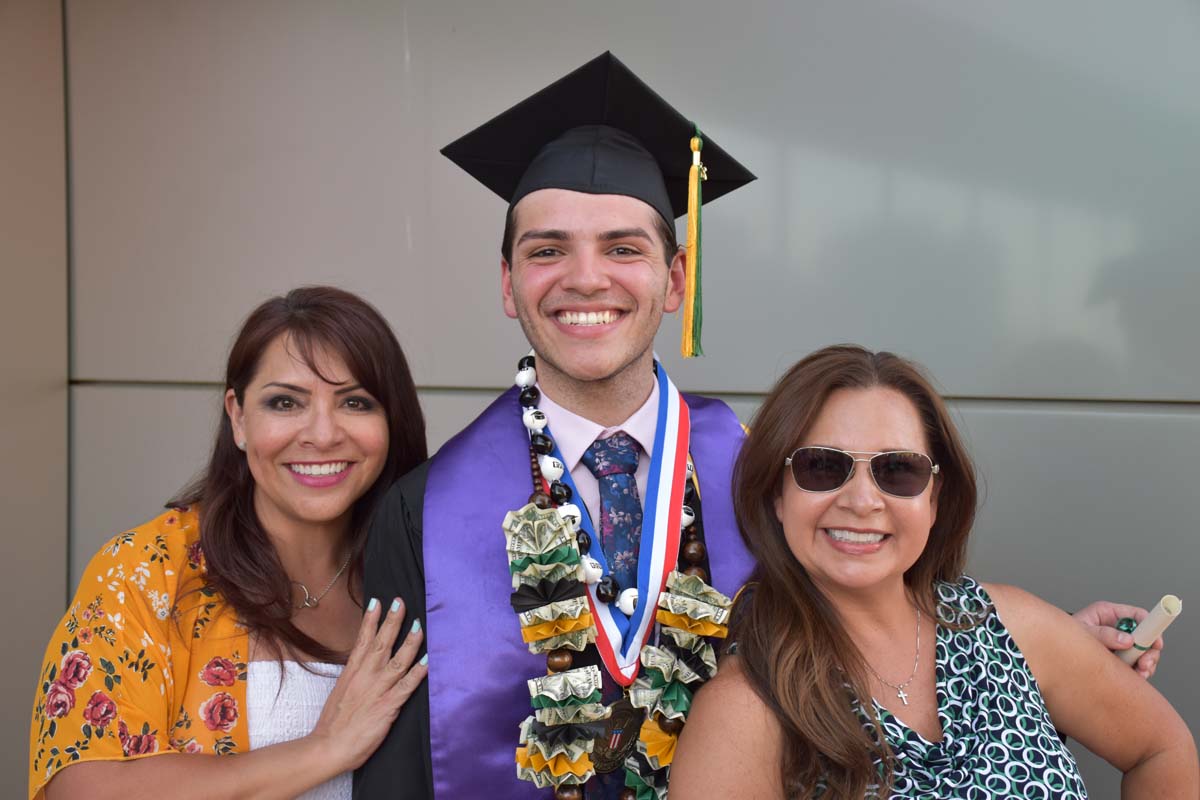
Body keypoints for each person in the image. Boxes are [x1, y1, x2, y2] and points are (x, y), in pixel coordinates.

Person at [356, 54, 1164, 800]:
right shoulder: (424, 512)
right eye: (547, 251)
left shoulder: (770, 472)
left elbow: (892, 642)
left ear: (675, 279)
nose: (585, 277)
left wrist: (1052, 658)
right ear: (508, 283)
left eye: (623, 247)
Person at [669, 345, 1198, 799]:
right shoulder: (745, 715)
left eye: (897, 470)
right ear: (777, 496)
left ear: (936, 497)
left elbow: (1162, 748)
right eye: (822, 467)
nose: (861, 501)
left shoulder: (1010, 626)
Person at [29, 287, 430, 800]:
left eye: (355, 401)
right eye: (285, 402)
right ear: (238, 418)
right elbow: (81, 789)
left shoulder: (427, 569)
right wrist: (326, 747)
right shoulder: (145, 571)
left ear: (391, 420)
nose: (323, 434)